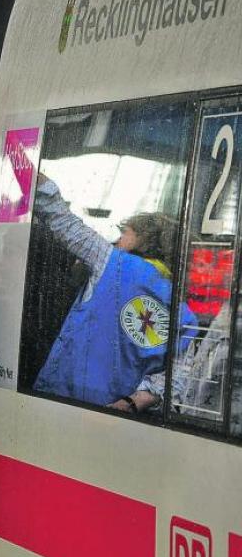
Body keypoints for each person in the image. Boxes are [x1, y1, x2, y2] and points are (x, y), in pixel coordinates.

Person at [33, 173, 196, 411]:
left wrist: (30, 172)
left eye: (124, 234)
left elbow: (63, 221)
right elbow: (177, 376)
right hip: (119, 417)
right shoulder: (183, 309)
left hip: (62, 400)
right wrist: (133, 402)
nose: (117, 240)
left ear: (144, 240)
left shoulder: (112, 264)